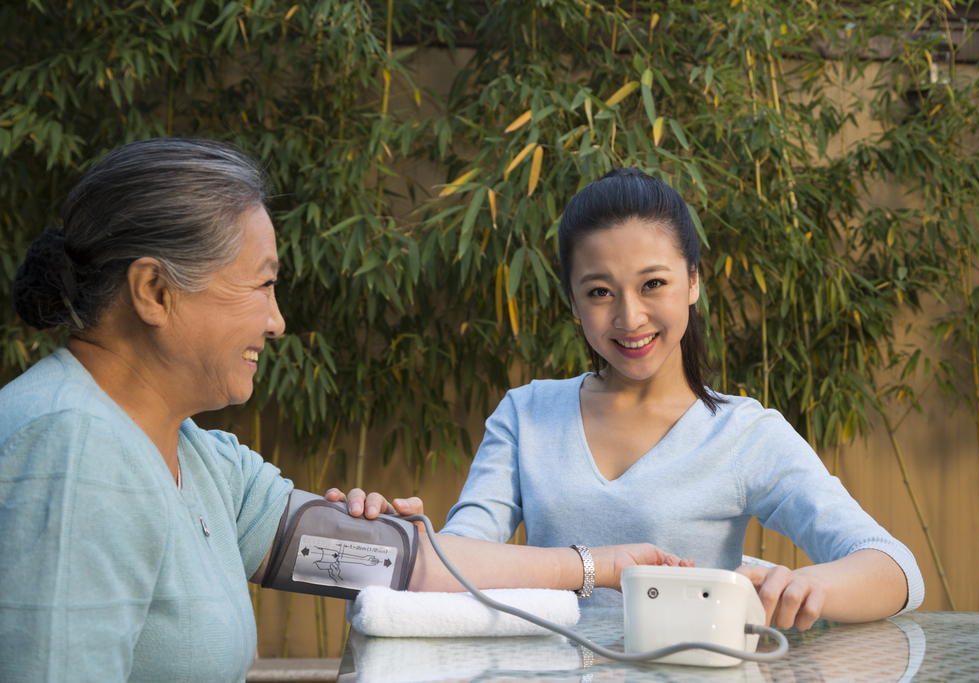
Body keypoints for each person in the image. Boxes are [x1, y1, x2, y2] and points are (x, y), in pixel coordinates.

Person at [0, 142, 687, 682]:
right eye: (262, 284)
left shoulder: (195, 456)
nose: (277, 321)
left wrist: (603, 563)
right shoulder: (71, 450)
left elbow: (401, 563)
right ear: (154, 290)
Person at [337, 168, 925, 631]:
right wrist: (412, 540)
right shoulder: (526, 413)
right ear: (572, 301)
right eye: (599, 291)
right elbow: (463, 560)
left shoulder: (745, 433)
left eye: (653, 284)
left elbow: (895, 568)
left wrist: (810, 587)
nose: (629, 317)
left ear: (693, 281)